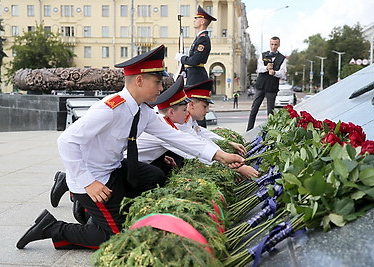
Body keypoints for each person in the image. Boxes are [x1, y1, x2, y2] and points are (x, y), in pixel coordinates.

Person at [16, 45, 245, 250]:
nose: (160, 87)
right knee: (111, 236)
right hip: (93, 179)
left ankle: (97, 213)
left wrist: (220, 155)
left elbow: (177, 138)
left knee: (153, 175)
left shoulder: (143, 111)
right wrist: (88, 182)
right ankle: (51, 227)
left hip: (112, 169)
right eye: (157, 82)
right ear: (139, 81)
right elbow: (66, 141)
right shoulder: (110, 108)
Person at [247, 36, 287, 131]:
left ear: (279, 45)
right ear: (270, 44)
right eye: (272, 44)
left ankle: (270, 132)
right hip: (261, 85)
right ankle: (249, 130)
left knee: (270, 112)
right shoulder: (263, 55)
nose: (273, 47)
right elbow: (259, 69)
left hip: (272, 87)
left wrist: (274, 73)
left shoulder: (282, 58)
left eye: (275, 45)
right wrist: (266, 68)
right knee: (254, 109)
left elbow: (282, 73)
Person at [175, 5, 216, 86]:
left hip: (197, 77)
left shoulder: (203, 39)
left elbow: (195, 60)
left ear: (202, 22)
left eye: (197, 18)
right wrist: (187, 71)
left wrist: (182, 58)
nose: (194, 20)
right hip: (194, 75)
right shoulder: (199, 38)